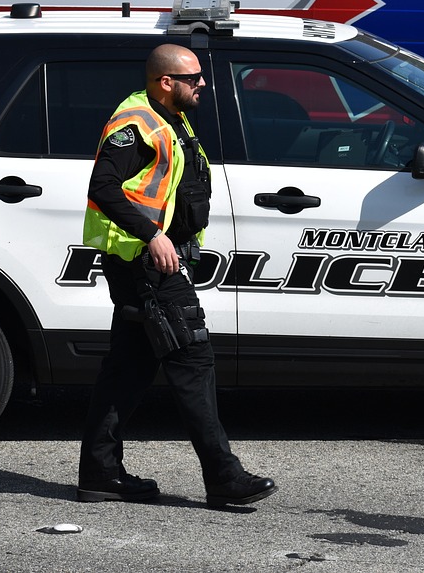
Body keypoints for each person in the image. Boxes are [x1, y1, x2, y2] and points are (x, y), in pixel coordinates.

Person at [78, 43, 277, 508]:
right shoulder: (136, 125)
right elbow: (103, 186)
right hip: (145, 263)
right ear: (166, 81)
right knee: (192, 360)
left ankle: (100, 473)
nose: (202, 83)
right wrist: (152, 235)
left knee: (129, 368)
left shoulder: (171, 118)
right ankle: (224, 476)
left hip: (153, 262)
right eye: (193, 77)